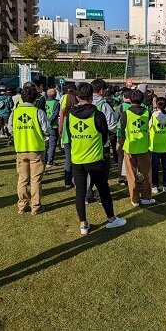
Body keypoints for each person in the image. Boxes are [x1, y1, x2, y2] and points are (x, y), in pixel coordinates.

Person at [65, 82, 126, 235]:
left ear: (77, 97)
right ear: (92, 97)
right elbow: (105, 136)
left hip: (77, 159)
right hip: (95, 159)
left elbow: (70, 135)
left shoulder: (70, 115)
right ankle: (111, 219)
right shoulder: (98, 115)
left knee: (80, 192)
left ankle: (83, 224)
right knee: (103, 190)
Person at [8, 85, 50, 215]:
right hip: (36, 149)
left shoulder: (15, 112)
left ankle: (22, 205)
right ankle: (35, 206)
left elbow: (10, 129)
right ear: (35, 98)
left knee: (22, 179)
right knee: (35, 180)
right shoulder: (38, 112)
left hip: (20, 149)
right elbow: (46, 129)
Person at [118, 89, 155, 207]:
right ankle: (147, 197)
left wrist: (121, 144)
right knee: (147, 175)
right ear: (142, 99)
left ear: (130, 99)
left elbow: (121, 131)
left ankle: (135, 199)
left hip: (130, 147)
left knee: (131, 175)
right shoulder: (148, 113)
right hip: (144, 147)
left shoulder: (125, 114)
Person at [149, 97, 166, 194]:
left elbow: (148, 128)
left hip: (154, 145)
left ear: (156, 104)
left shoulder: (153, 116)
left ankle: (154, 186)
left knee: (154, 168)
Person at [44, 88, 60, 167]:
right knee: (52, 144)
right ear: (55, 95)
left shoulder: (44, 102)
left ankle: (44, 159)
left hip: (44, 125)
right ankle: (49, 161)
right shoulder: (56, 103)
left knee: (45, 143)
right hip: (53, 126)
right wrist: (50, 122)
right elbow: (55, 114)